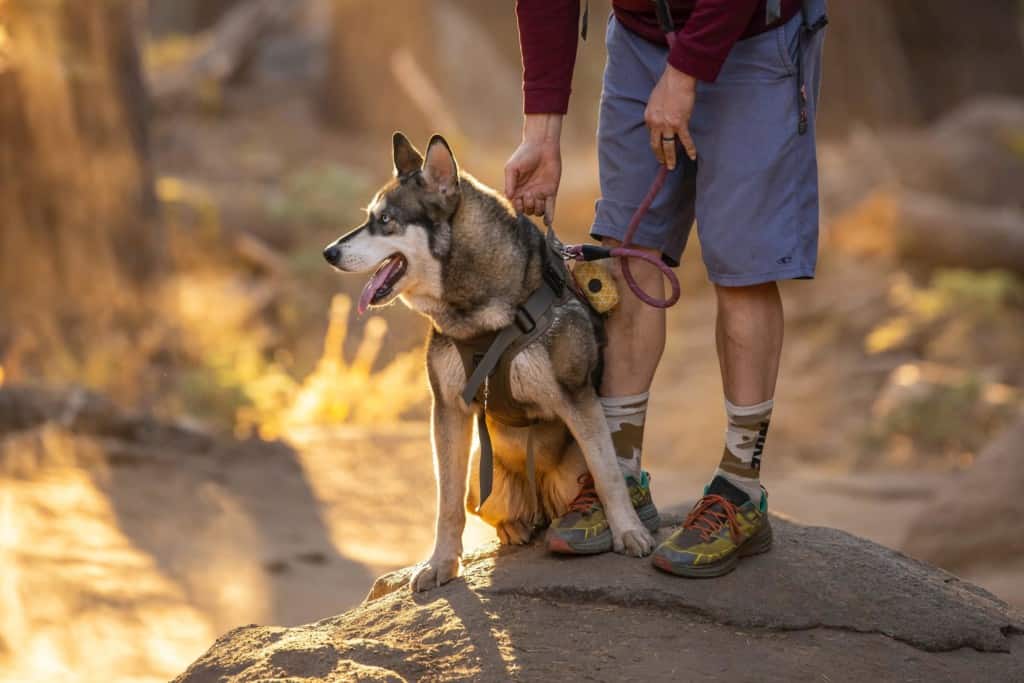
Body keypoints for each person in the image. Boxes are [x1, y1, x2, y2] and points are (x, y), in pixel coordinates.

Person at [505, 0, 826, 577]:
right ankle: (619, 476)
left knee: (743, 271)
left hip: (755, 39)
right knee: (626, 258)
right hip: (639, 37)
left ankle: (740, 490)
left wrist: (684, 75)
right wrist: (541, 133)